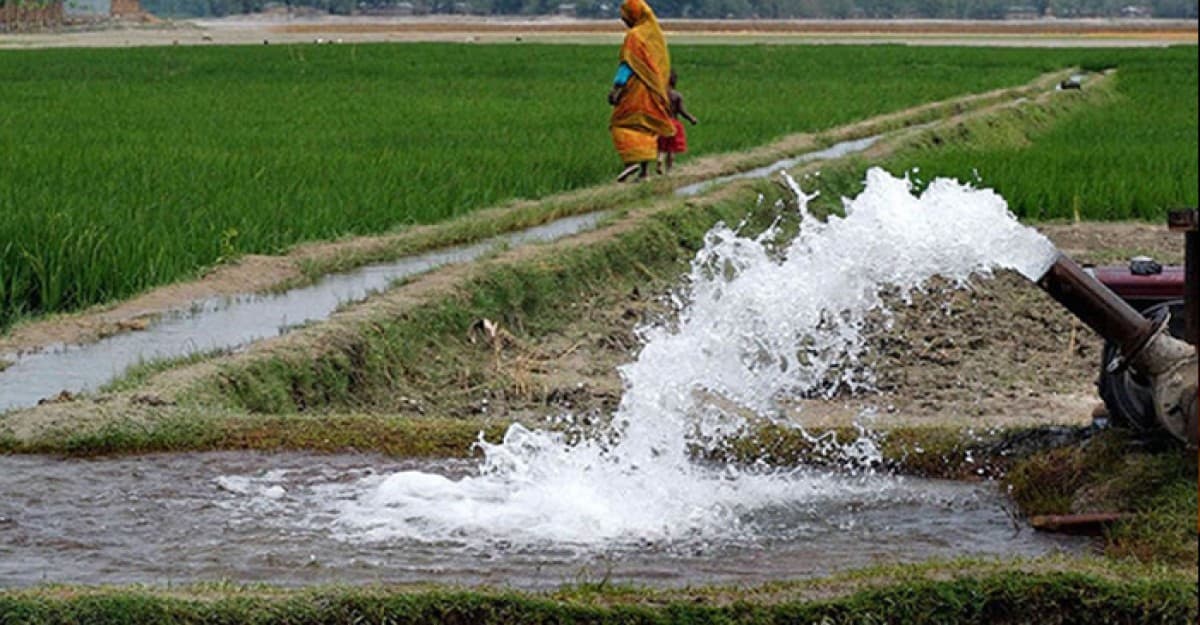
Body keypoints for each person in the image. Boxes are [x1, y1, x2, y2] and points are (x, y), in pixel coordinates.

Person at [607, 0, 674, 182]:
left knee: (620, 125)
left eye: (626, 17)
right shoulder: (655, 36)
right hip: (653, 90)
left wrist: (616, 88)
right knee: (647, 128)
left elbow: (628, 65)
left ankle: (630, 163)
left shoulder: (634, 36)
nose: (624, 21)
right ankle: (644, 173)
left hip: (636, 90)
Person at [656, 70, 698, 175]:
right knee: (671, 149)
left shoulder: (660, 95)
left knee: (662, 146)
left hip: (662, 123)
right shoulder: (677, 96)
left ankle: (660, 160)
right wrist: (691, 118)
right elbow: (682, 111)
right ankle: (669, 171)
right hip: (674, 123)